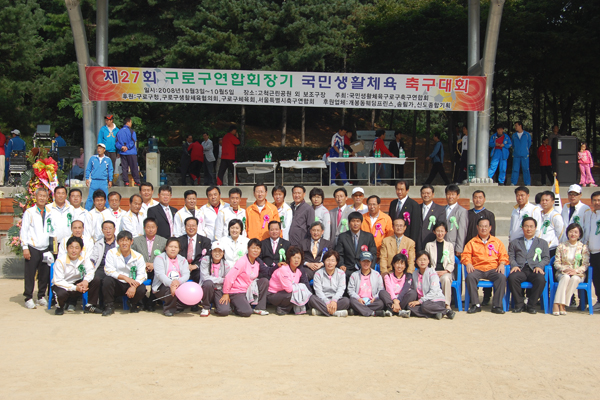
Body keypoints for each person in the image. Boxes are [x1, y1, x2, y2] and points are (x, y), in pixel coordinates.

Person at [462, 218, 509, 314]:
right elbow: (465, 255)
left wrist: (502, 264)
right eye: (481, 226)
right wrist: (468, 263)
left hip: (493, 269)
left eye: (486, 226)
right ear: (477, 227)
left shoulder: (497, 242)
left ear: (490, 228)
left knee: (501, 277)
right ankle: (476, 305)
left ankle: (497, 305)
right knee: (470, 277)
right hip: (477, 269)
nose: (484, 228)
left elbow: (504, 255)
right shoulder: (472, 242)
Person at [508, 217, 550, 314]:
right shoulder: (515, 242)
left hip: (535, 269)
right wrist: (514, 265)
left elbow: (546, 258)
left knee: (541, 280)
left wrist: (540, 266)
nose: (529, 229)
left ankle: (531, 305)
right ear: (522, 228)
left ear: (535, 228)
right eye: (526, 226)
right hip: (520, 268)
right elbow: (511, 256)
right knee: (512, 278)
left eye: (531, 226)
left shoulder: (543, 243)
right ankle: (519, 304)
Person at [101, 231, 147, 316]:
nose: (124, 243)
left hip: (131, 283)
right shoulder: (111, 253)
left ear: (131, 242)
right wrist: (124, 278)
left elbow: (142, 274)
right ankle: (109, 306)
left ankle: (133, 304)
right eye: (122, 240)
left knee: (142, 288)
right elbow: (108, 270)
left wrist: (133, 286)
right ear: (118, 242)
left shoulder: (138, 256)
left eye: (127, 240)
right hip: (117, 282)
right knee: (107, 281)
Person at [20, 188, 51, 309]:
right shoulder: (30, 212)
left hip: (45, 247)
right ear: (36, 197)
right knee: (30, 274)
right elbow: (24, 230)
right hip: (32, 247)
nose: (42, 198)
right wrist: (25, 247)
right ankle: (28, 297)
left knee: (44, 274)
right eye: (40, 196)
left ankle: (41, 296)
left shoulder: (49, 212)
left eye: (45, 196)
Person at [221, 238, 270, 317]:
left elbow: (267, 271)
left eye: (258, 248)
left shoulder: (257, 262)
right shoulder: (242, 261)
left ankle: (260, 307)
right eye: (253, 248)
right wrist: (226, 293)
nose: (255, 250)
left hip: (248, 289)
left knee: (264, 281)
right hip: (237, 291)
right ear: (248, 248)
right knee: (247, 312)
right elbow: (230, 276)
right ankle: (234, 305)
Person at [552, 223, 590, 316]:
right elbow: (556, 263)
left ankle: (562, 304)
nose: (573, 234)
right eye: (571, 231)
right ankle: (558, 304)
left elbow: (585, 264)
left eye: (576, 232)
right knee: (565, 277)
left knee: (575, 278)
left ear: (579, 235)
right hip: (563, 272)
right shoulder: (561, 246)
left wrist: (575, 271)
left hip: (577, 274)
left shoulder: (583, 248)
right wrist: (565, 270)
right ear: (567, 233)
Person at [50, 237, 94, 315]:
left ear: (81, 250)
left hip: (78, 282)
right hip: (62, 284)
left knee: (95, 280)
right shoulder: (60, 261)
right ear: (67, 248)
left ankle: (90, 305)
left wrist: (85, 281)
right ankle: (60, 307)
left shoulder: (84, 257)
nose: (74, 251)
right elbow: (58, 280)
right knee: (61, 293)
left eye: (77, 248)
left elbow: (90, 271)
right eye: (71, 247)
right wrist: (75, 288)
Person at [131, 217, 167, 311]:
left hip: (156, 269)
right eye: (148, 227)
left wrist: (154, 265)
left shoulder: (163, 241)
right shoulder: (136, 241)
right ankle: (141, 301)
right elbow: (132, 255)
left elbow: (165, 257)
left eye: (153, 227)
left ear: (157, 228)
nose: (150, 229)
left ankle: (151, 302)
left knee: (158, 276)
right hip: (140, 268)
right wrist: (144, 264)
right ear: (144, 228)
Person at [408, 251, 456, 319]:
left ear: (428, 261)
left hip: (435, 301)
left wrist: (420, 301)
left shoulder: (432, 272)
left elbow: (433, 291)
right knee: (410, 307)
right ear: (416, 261)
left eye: (424, 259)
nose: (422, 262)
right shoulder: (414, 274)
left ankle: (446, 311)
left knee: (425, 306)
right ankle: (435, 314)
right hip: (424, 302)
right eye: (420, 259)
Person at [267, 246, 312, 315]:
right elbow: (289, 289)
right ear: (289, 258)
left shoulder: (299, 271)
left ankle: (285, 309)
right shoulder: (284, 269)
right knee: (294, 294)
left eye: (298, 258)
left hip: (285, 293)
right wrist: (300, 287)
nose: (296, 260)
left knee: (301, 294)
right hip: (274, 294)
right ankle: (282, 308)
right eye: (294, 257)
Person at [151, 238, 190, 317]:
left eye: (176, 247)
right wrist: (171, 284)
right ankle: (169, 309)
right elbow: (160, 275)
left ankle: (177, 306)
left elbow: (186, 274)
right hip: (163, 286)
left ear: (179, 249)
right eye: (171, 246)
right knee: (170, 290)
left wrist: (178, 282)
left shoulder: (182, 259)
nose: (173, 249)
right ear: (166, 247)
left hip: (178, 284)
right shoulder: (159, 258)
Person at [86, 221, 118, 314]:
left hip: (114, 267)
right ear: (102, 230)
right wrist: (91, 262)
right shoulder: (99, 243)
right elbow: (94, 256)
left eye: (110, 228)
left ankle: (107, 304)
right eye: (105, 229)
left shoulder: (119, 242)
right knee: (95, 279)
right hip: (101, 266)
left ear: (114, 230)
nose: (108, 231)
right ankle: (92, 304)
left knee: (108, 280)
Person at [336, 212, 378, 280]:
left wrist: (371, 267)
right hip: (347, 270)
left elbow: (373, 254)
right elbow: (339, 254)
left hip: (364, 268)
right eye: (353, 221)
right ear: (349, 223)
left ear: (361, 223)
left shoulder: (368, 236)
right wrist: (341, 265)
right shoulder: (342, 237)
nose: (355, 224)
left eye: (358, 221)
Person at [307, 250, 349, 317]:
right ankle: (336, 313)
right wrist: (326, 302)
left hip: (336, 300)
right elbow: (318, 291)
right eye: (328, 260)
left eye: (332, 261)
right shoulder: (318, 274)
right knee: (312, 299)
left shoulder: (341, 273)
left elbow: (341, 289)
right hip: (322, 300)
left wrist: (334, 301)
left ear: (336, 262)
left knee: (346, 301)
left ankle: (320, 312)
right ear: (324, 261)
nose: (330, 263)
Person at [424, 222, 455, 309]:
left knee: (446, 279)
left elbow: (452, 263)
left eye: (442, 231)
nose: (440, 233)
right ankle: (431, 303)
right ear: (434, 232)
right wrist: (433, 272)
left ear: (445, 232)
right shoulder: (429, 245)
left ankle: (446, 304)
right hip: (433, 271)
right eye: (438, 231)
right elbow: (427, 262)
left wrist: (445, 271)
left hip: (445, 272)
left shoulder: (449, 246)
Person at [347, 251, 387, 317]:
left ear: (371, 262)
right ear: (360, 262)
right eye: (363, 261)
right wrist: (358, 298)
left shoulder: (377, 275)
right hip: (359, 300)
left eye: (368, 261)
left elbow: (381, 289)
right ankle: (372, 313)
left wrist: (375, 298)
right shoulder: (354, 275)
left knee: (381, 304)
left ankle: (358, 311)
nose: (366, 263)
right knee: (351, 300)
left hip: (372, 301)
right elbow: (350, 290)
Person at [177, 217, 212, 288]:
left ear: (197, 226)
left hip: (198, 269)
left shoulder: (205, 241)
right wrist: (185, 266)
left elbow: (207, 257)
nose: (191, 228)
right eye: (188, 225)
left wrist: (195, 265)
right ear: (185, 227)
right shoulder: (179, 241)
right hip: (181, 269)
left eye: (193, 225)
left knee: (202, 277)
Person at [199, 241, 231, 317]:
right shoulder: (205, 260)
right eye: (215, 251)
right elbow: (205, 277)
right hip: (207, 288)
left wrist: (226, 293)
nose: (217, 253)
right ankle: (206, 307)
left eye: (220, 251)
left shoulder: (226, 264)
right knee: (208, 283)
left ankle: (217, 307)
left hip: (219, 289)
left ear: (223, 253)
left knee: (224, 311)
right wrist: (221, 280)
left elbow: (228, 280)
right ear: (211, 252)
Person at [379, 253, 415, 317]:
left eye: (402, 263)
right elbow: (389, 289)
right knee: (382, 292)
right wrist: (395, 300)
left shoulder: (408, 276)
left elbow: (405, 290)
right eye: (397, 263)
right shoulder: (388, 276)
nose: (399, 266)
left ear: (405, 265)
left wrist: (398, 301)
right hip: (391, 299)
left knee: (413, 293)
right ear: (393, 264)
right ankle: (398, 310)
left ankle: (393, 310)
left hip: (401, 300)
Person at [388, 180, 421, 246]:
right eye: (397, 189)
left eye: (402, 189)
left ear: (407, 190)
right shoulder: (393, 203)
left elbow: (415, 227)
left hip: (407, 240)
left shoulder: (413, 205)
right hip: (394, 239)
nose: (399, 192)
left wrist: (412, 243)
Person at [46, 186, 74, 255]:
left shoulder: (71, 209)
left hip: (68, 242)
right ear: (54, 195)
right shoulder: (47, 208)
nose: (61, 195)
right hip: (53, 243)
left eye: (63, 193)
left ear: (66, 195)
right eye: (58, 193)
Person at [84, 143, 113, 210]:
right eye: (98, 148)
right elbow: (88, 168)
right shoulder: (93, 158)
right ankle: (86, 211)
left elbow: (110, 170)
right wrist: (87, 178)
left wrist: (110, 180)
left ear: (104, 150)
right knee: (90, 197)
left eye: (101, 148)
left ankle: (109, 211)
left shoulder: (108, 159)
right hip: (94, 180)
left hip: (103, 181)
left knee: (105, 196)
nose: (99, 150)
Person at [537, 191, 564, 257]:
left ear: (553, 202)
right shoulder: (538, 214)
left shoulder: (555, 216)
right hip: (538, 249)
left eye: (547, 200)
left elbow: (560, 234)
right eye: (542, 200)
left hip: (551, 249)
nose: (544, 202)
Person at [444, 184, 468, 256]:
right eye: (448, 194)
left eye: (453, 194)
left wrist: (459, 248)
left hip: (453, 246)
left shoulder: (462, 211)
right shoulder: (442, 209)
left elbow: (462, 230)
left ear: (458, 196)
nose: (450, 196)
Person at [419, 184, 446, 250]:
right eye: (423, 193)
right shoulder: (416, 208)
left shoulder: (440, 209)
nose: (426, 195)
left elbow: (440, 227)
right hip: (418, 243)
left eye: (428, 193)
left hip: (432, 243)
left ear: (433, 194)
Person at [115, 117, 140, 186]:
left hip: (123, 152)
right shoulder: (132, 131)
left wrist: (122, 147)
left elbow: (116, 143)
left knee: (124, 167)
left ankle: (126, 181)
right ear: (128, 122)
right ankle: (137, 181)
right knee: (134, 167)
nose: (131, 124)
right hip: (131, 152)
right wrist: (127, 147)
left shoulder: (119, 132)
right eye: (131, 122)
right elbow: (133, 141)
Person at [586, 191, 600, 312]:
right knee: (596, 278)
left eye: (599, 200)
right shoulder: (591, 214)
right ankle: (599, 300)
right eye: (594, 200)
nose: (597, 202)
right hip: (593, 252)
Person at [511, 121, 532, 186]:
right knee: (515, 169)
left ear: (520, 126)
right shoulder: (514, 135)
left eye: (516, 125)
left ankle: (527, 183)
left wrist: (525, 150)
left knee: (526, 169)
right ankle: (513, 182)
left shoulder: (527, 134)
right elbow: (513, 144)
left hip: (524, 155)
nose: (515, 127)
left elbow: (529, 144)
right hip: (516, 155)